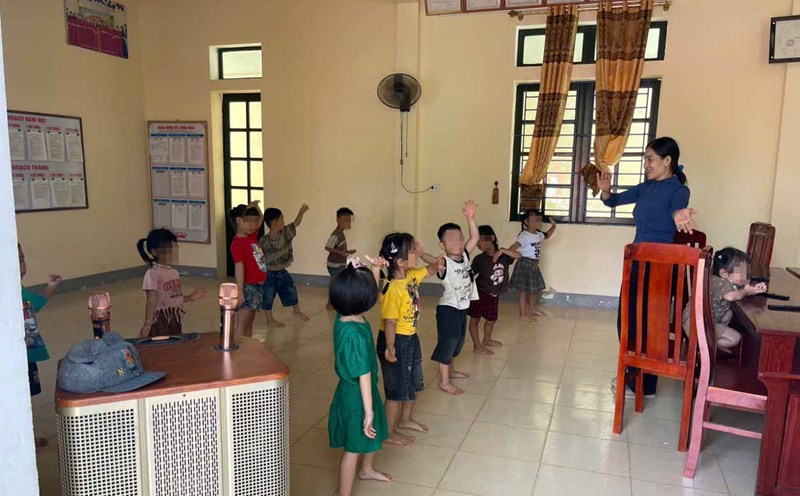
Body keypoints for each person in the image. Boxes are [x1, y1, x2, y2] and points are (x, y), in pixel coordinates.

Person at [598, 136, 698, 398]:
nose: (646, 165)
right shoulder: (646, 187)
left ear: (667, 161)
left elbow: (678, 210)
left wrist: (679, 215)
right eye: (645, 159)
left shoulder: (678, 190)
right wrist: (606, 190)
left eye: (650, 160)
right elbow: (612, 201)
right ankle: (635, 376)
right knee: (627, 321)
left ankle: (644, 385)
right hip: (637, 262)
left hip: (659, 268)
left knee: (650, 326)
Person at [328, 257, 392, 495]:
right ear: (360, 300)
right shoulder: (353, 333)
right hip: (357, 396)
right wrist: (369, 410)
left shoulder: (345, 314)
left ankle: (367, 469)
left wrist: (374, 270)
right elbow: (363, 373)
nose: (372, 300)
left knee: (371, 433)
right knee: (353, 448)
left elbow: (366, 296)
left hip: (362, 391)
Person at [377, 233, 443, 446]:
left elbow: (436, 267)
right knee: (395, 390)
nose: (417, 251)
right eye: (412, 250)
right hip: (395, 341)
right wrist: (389, 346)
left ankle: (404, 420)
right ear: (399, 261)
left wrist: (423, 253)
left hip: (409, 337)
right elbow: (389, 322)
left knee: (412, 380)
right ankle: (388, 431)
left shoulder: (412, 275)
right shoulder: (392, 288)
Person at [423, 200, 479, 395]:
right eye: (452, 241)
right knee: (448, 342)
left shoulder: (464, 255)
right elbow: (431, 260)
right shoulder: (443, 262)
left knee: (458, 341)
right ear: (442, 245)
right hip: (448, 309)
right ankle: (444, 381)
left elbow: (475, 236)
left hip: (461, 308)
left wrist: (470, 218)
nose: (458, 244)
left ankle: (451, 370)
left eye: (460, 239)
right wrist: (421, 254)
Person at [19, 243, 62, 448]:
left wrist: (51, 288)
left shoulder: (21, 292)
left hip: (27, 357)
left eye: (21, 258)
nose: (20, 265)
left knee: (25, 399)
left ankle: (25, 436)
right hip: (14, 359)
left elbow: (35, 304)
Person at [683, 247, 765, 352]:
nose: (747, 276)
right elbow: (731, 296)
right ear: (724, 273)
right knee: (735, 338)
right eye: (743, 273)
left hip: (697, 320)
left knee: (729, 313)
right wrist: (746, 291)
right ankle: (707, 345)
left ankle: (710, 342)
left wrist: (752, 289)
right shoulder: (722, 283)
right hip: (696, 324)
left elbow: (737, 290)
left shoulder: (719, 279)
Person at [137, 229, 207, 337]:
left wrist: (191, 297)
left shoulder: (174, 272)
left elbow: (174, 297)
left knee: (174, 345)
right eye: (167, 250)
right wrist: (148, 323)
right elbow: (152, 299)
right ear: (154, 251)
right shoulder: (152, 273)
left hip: (174, 318)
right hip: (160, 321)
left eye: (173, 249)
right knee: (161, 347)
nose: (171, 253)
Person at [468, 225, 521, 355]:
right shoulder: (479, 259)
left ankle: (487, 339)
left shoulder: (504, 256)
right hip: (480, 293)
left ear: (492, 238)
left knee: (491, 319)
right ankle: (477, 345)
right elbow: (470, 275)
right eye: (477, 242)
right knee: (475, 320)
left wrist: (503, 250)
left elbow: (518, 255)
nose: (478, 244)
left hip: (494, 294)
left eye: (481, 240)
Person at [259, 204, 310, 327]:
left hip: (282, 271)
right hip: (269, 273)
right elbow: (259, 258)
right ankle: (269, 319)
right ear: (275, 223)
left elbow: (296, 223)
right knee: (268, 295)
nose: (284, 222)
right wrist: (261, 274)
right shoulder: (263, 241)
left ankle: (296, 311)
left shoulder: (286, 233)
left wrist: (301, 212)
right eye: (282, 219)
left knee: (291, 289)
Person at [509, 209, 556, 320]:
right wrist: (506, 253)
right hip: (525, 264)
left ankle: (532, 308)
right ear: (526, 221)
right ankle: (523, 314)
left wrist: (553, 226)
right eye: (534, 220)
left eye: (538, 220)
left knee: (535, 290)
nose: (537, 223)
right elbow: (514, 247)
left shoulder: (538, 234)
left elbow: (547, 235)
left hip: (534, 265)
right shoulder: (524, 235)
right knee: (523, 291)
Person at [229, 201, 267, 337]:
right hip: (247, 286)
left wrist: (256, 207)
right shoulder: (237, 244)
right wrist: (240, 291)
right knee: (243, 323)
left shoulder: (251, 236)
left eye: (255, 222)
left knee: (250, 320)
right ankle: (238, 350)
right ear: (239, 220)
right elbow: (239, 268)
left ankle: (248, 347)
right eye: (250, 222)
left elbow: (261, 219)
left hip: (257, 285)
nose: (254, 225)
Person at [325, 207, 356, 310]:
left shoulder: (341, 233)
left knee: (339, 282)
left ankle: (338, 300)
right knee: (335, 284)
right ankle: (330, 304)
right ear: (338, 220)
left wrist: (347, 252)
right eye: (345, 220)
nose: (348, 223)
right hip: (334, 265)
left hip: (340, 264)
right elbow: (328, 247)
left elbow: (338, 248)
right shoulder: (336, 234)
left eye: (349, 220)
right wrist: (341, 253)